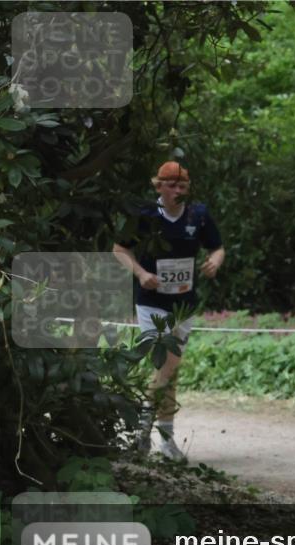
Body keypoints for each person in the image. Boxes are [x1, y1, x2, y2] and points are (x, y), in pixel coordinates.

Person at [113, 161, 225, 461]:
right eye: (172, 185)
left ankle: (155, 436)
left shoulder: (197, 215)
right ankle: (153, 436)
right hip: (151, 303)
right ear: (158, 186)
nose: (178, 190)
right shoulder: (145, 215)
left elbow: (218, 247)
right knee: (166, 366)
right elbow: (119, 249)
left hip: (183, 304)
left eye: (183, 186)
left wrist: (215, 261)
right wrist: (140, 273)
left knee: (169, 371)